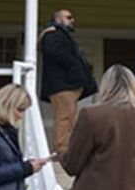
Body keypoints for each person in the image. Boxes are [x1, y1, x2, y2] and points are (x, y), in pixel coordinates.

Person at [39, 9, 95, 156]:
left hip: (68, 84)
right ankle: (61, 150)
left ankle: (68, 148)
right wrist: (73, 62)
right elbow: (54, 52)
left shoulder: (59, 34)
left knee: (70, 117)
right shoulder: (51, 33)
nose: (72, 20)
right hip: (62, 84)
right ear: (58, 19)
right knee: (64, 117)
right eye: (68, 17)